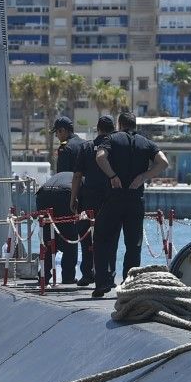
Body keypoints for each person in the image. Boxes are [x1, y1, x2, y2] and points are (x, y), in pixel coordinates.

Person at [91, 111, 169, 299]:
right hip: (135, 198)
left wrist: (113, 176)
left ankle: (102, 283)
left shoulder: (111, 139)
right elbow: (163, 162)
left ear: (119, 124)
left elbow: (100, 157)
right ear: (135, 124)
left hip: (114, 198)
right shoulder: (146, 142)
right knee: (133, 244)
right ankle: (130, 284)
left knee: (103, 240)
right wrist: (143, 177)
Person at [68, 115, 113, 287]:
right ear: (112, 129)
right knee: (109, 236)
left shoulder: (86, 147)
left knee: (85, 236)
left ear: (98, 128)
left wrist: (73, 198)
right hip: (109, 198)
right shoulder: (113, 147)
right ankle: (108, 275)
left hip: (87, 198)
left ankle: (87, 274)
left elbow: (78, 175)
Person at [46, 116, 86, 283]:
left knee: (59, 233)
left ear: (63, 131)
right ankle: (72, 276)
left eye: (57, 133)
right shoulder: (84, 144)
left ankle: (47, 275)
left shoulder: (65, 148)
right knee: (76, 234)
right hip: (83, 193)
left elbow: (62, 176)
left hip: (67, 194)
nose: (57, 136)